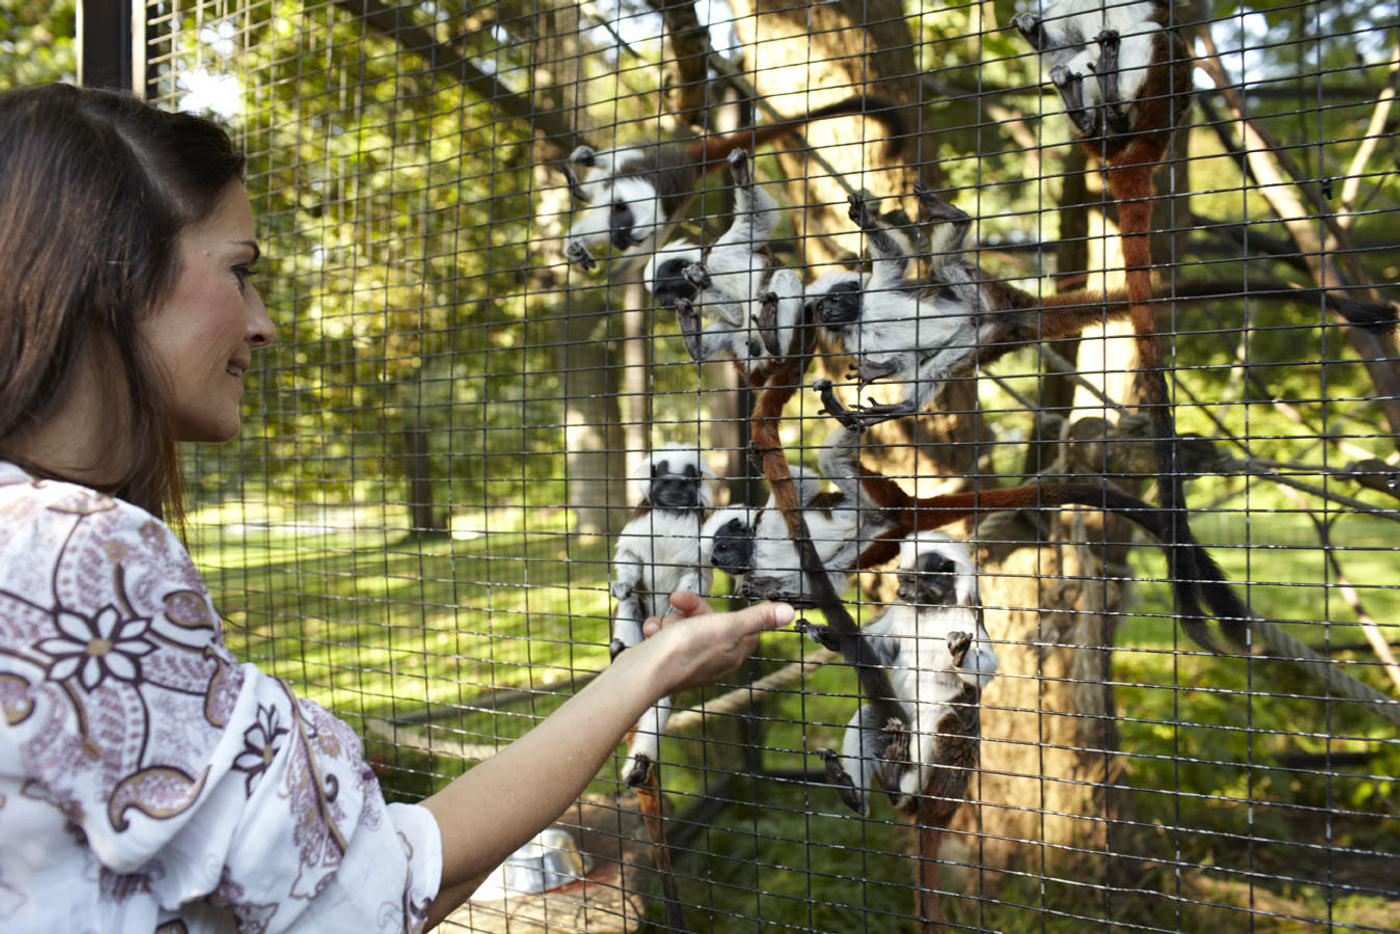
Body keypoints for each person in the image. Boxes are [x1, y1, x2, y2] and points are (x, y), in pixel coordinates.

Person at [0, 83, 793, 933]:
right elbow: (371, 890)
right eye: (240, 271)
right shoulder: (70, 556)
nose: (263, 325)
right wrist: (654, 667)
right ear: (111, 270)